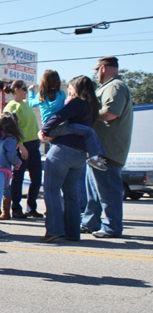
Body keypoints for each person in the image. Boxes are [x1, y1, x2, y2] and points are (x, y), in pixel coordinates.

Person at [40, 76, 101, 242]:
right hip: (79, 154)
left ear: (77, 88)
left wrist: (44, 130)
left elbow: (59, 117)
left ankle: (54, 230)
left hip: (62, 151)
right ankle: (73, 233)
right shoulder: (93, 107)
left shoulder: (77, 103)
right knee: (71, 195)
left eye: (70, 87)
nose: (69, 90)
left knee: (51, 191)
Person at [81, 57, 134, 238]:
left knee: (108, 192)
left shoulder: (115, 86)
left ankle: (111, 227)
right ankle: (90, 222)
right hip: (98, 149)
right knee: (94, 192)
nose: (96, 74)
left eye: (97, 70)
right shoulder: (109, 87)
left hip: (107, 150)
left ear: (103, 69)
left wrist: (88, 116)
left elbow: (111, 113)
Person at [2, 80, 43, 219]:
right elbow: (11, 129)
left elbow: (33, 123)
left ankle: (31, 207)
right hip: (21, 145)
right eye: (24, 88)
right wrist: (20, 145)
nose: (26, 91)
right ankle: (16, 208)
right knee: (18, 178)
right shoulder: (11, 106)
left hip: (33, 144)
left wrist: (37, 138)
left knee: (37, 177)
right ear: (17, 90)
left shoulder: (25, 104)